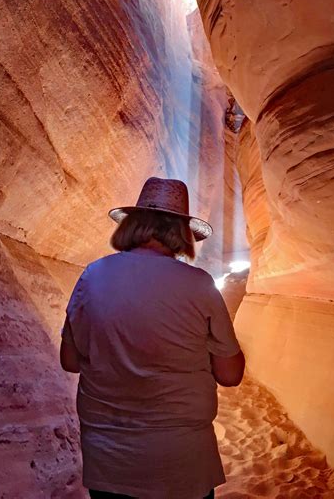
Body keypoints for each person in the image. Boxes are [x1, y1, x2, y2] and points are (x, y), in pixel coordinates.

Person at [60, 177, 245, 499]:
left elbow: (70, 361)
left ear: (132, 225)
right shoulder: (199, 285)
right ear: (181, 233)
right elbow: (230, 376)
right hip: (181, 458)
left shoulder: (92, 276)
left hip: (109, 456)